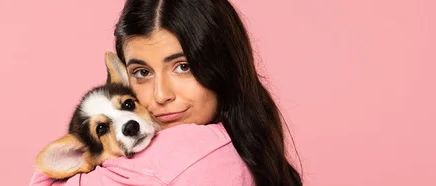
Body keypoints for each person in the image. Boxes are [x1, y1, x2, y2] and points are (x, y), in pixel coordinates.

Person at [30, 0, 302, 185]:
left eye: (183, 66)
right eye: (142, 72)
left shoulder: (193, 152)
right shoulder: (249, 143)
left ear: (222, 64)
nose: (161, 95)